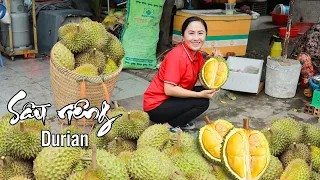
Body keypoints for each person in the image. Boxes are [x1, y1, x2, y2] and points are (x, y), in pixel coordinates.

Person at [143, 16, 217, 132]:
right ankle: (168, 125)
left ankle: (178, 119)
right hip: (156, 106)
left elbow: (204, 82)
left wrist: (214, 63)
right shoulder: (177, 56)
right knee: (202, 101)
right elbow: (169, 90)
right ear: (183, 36)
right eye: (191, 33)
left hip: (171, 99)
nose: (196, 38)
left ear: (205, 35)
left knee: (200, 90)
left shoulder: (197, 56)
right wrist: (200, 95)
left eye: (200, 33)